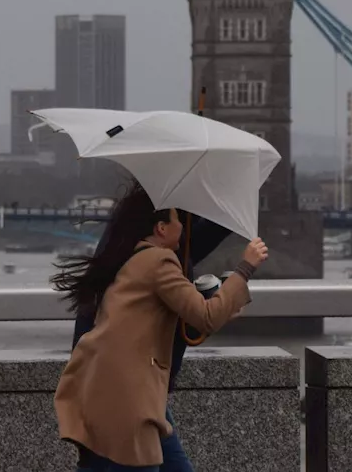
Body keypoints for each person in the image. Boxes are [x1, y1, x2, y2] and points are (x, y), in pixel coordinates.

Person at [52, 183, 268, 472]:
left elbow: (164, 312)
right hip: (128, 396)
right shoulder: (158, 259)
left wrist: (221, 306)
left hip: (115, 388)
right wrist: (245, 268)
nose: (184, 224)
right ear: (162, 228)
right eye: (178, 219)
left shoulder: (129, 252)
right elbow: (204, 317)